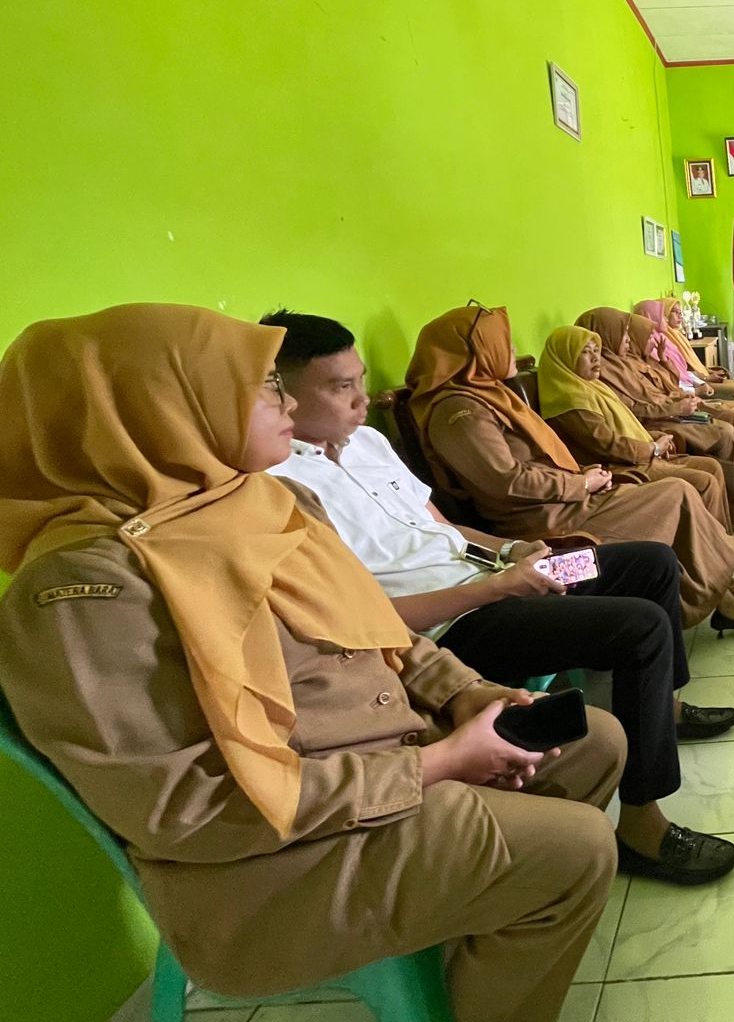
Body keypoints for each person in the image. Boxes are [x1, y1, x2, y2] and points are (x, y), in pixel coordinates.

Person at [0, 304, 628, 1022]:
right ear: (159, 411)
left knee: (592, 740)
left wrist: (467, 696)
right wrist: (438, 764)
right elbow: (184, 808)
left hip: (380, 768)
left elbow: (379, 633)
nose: (290, 404)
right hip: (275, 865)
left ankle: (497, 931)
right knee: (575, 850)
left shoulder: (262, 500)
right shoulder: (84, 590)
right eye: (265, 386)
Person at [262, 311, 734, 885]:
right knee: (639, 627)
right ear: (284, 392)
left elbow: (441, 526)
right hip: (454, 623)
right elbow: (365, 620)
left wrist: (513, 551)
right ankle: (643, 821)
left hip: (495, 574)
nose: (361, 400)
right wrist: (497, 587)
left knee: (649, 563)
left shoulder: (368, 442)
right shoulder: (279, 484)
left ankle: (665, 707)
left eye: (361, 380)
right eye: (342, 387)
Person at [405, 304, 734, 636]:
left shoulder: (488, 395)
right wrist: (580, 483)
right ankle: (723, 579)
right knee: (678, 492)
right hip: (547, 521)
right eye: (503, 342)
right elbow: (507, 481)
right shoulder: (459, 413)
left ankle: (719, 593)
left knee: (679, 492)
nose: (513, 349)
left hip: (569, 500)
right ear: (478, 351)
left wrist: (583, 479)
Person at [538, 325, 734, 531]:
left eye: (596, 350)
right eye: (585, 351)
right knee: (704, 480)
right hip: (622, 465)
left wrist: (651, 437)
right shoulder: (571, 399)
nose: (595, 358)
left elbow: (626, 419)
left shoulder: (593, 385)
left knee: (712, 466)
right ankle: (717, 544)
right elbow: (608, 444)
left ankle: (724, 532)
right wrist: (653, 447)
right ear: (566, 357)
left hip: (642, 449)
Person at [577, 306, 734, 512]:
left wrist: (666, 365)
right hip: (653, 425)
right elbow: (633, 411)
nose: (627, 339)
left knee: (728, 421)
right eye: (623, 333)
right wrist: (672, 412)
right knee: (724, 429)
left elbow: (667, 384)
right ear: (609, 334)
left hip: (663, 416)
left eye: (595, 350)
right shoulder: (601, 374)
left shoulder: (625, 362)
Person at [635, 297, 734, 467]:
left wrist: (704, 377)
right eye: (665, 315)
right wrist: (696, 390)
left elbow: (681, 372)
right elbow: (665, 387)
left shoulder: (664, 340)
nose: (671, 318)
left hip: (689, 389)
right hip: (680, 400)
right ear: (648, 320)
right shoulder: (647, 351)